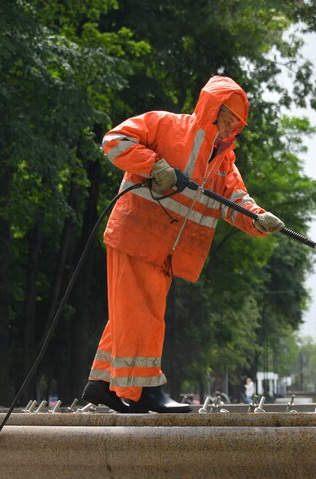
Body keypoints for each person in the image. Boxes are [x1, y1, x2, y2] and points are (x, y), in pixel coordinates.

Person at [81, 76, 285, 413]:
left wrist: (259, 219)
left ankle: (102, 383)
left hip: (164, 250)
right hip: (137, 235)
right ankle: (146, 388)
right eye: (227, 119)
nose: (229, 129)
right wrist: (155, 165)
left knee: (131, 313)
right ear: (211, 110)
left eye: (236, 125)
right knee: (144, 313)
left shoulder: (223, 164)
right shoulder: (165, 125)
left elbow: (235, 201)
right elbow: (114, 139)